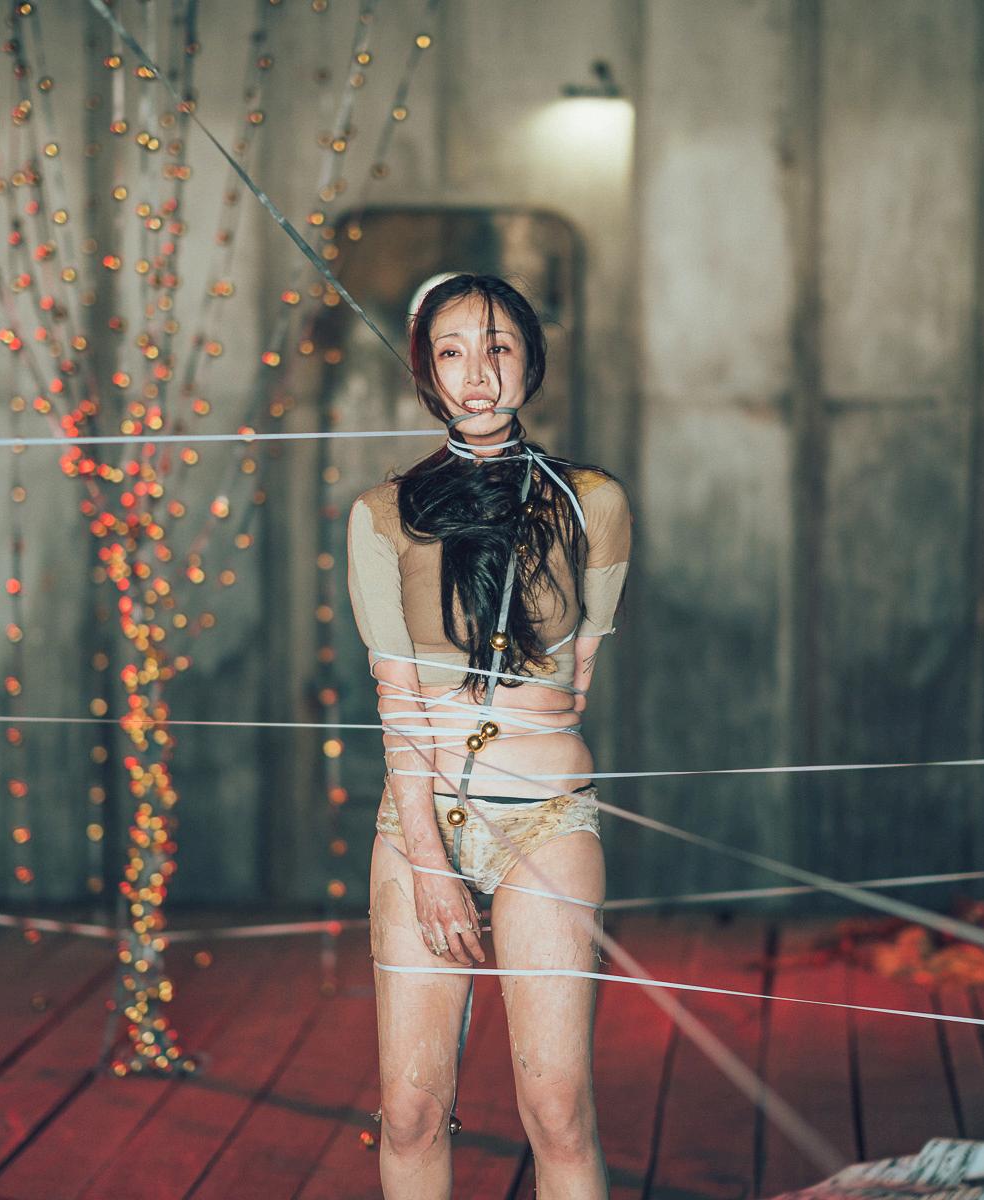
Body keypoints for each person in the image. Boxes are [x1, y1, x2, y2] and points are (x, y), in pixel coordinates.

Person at [345, 273, 631, 1199]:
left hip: (546, 821)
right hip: (419, 827)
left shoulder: (591, 502)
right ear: (427, 373)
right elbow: (397, 699)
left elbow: (576, 675)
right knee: (411, 1109)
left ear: (530, 361)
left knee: (557, 1107)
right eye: (452, 352)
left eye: (498, 347)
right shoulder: (381, 515)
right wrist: (429, 863)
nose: (478, 374)